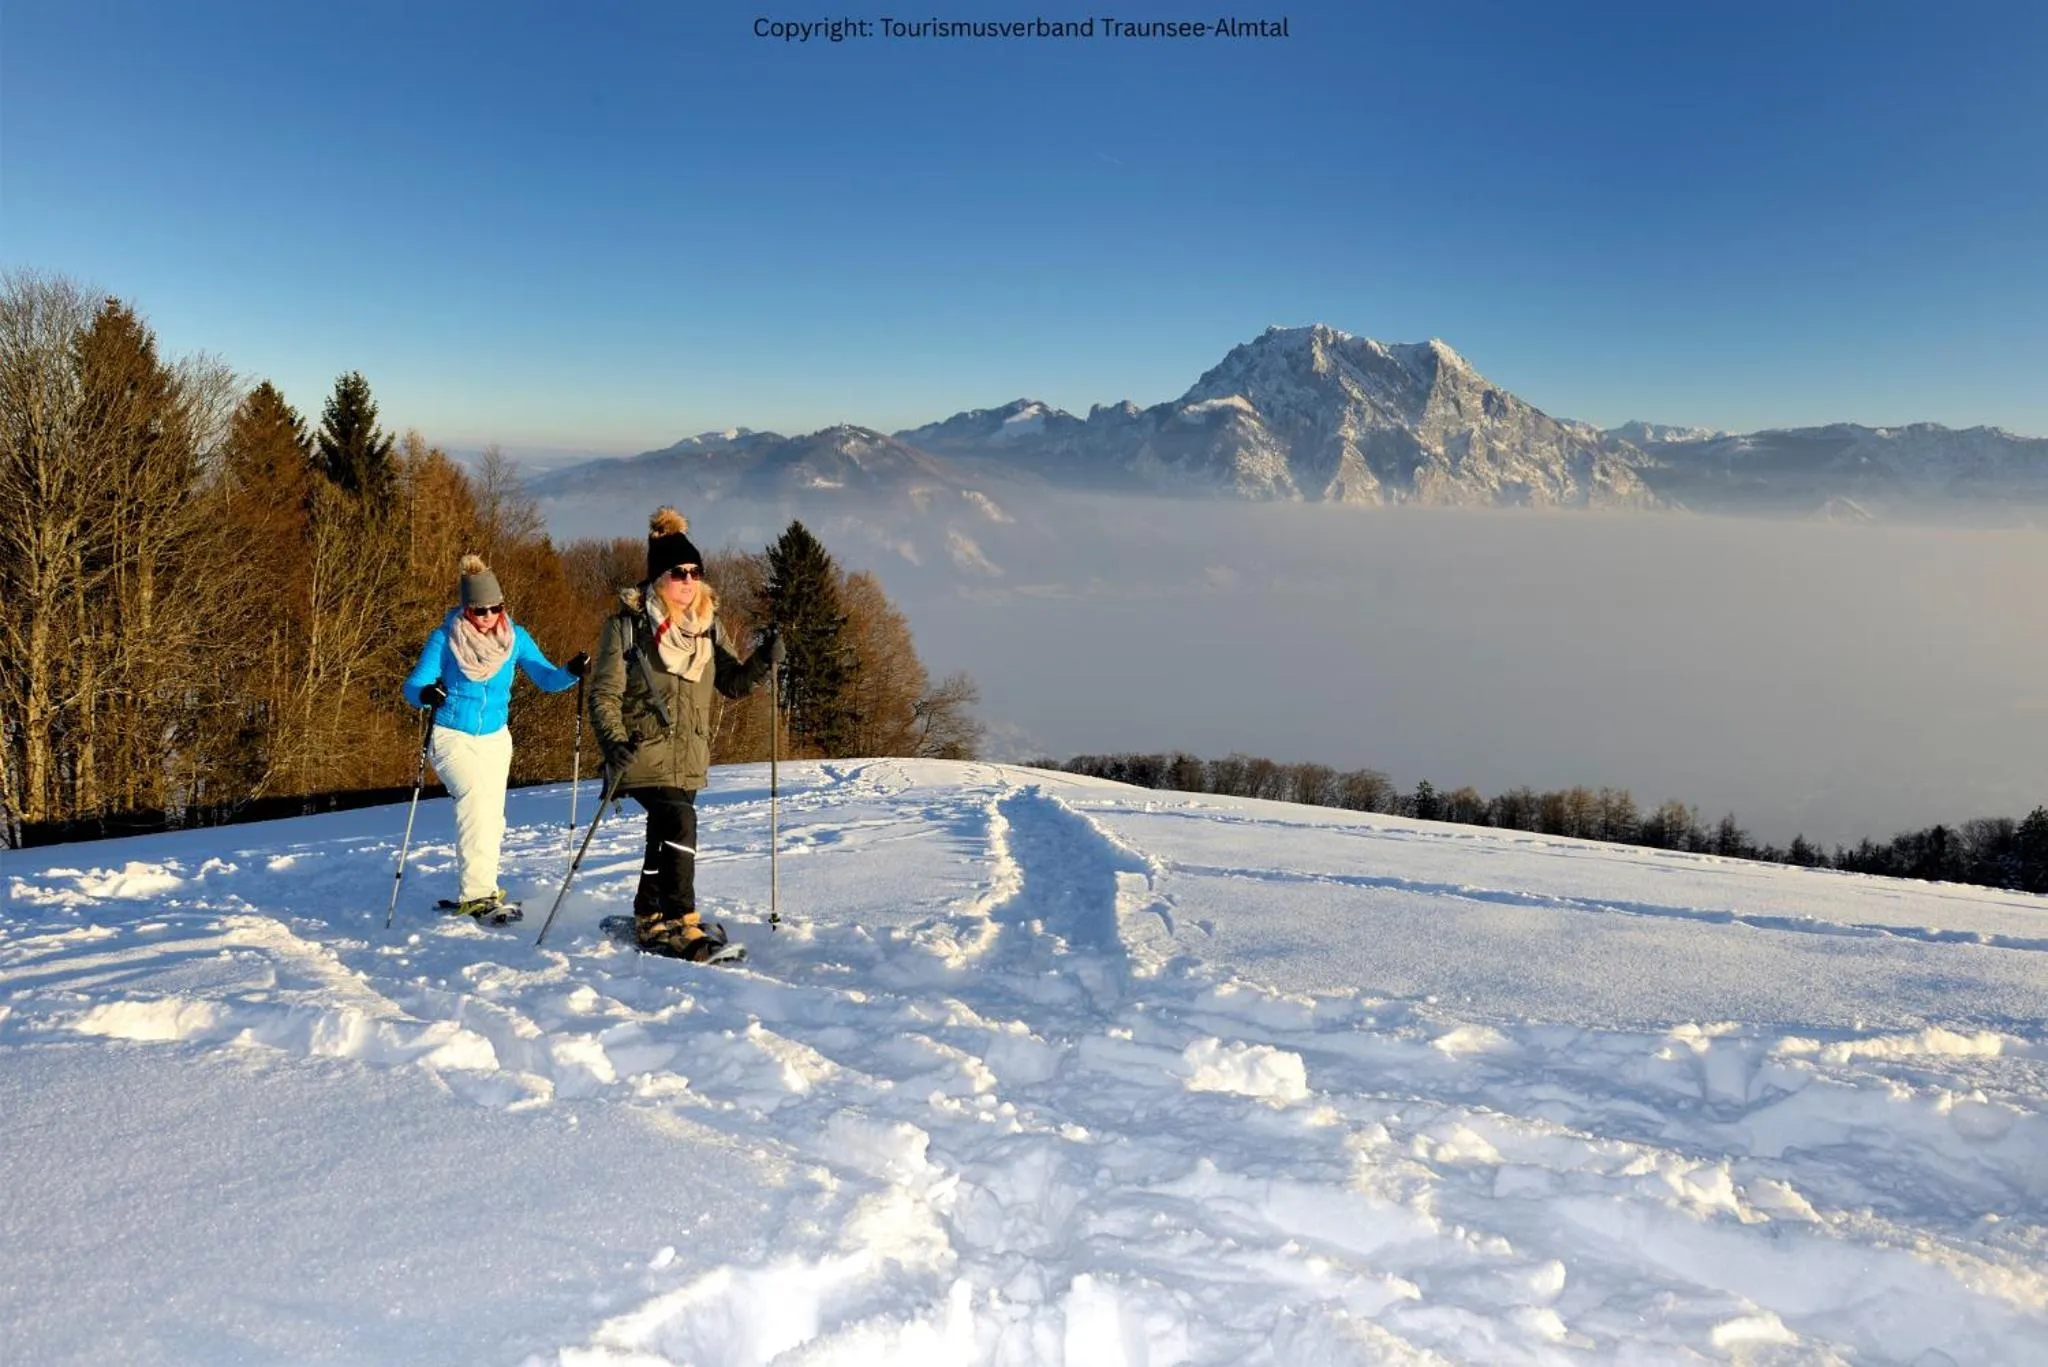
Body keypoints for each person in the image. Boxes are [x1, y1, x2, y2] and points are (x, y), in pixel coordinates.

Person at [589, 507, 780, 958]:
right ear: (658, 578)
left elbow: (731, 683)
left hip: (689, 755)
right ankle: (679, 920)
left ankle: (648, 915)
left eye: (696, 571)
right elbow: (604, 695)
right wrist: (613, 744)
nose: (689, 580)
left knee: (665, 831)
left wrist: (764, 660)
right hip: (640, 753)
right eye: (679, 572)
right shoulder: (627, 627)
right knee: (677, 819)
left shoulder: (708, 627)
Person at [403, 553, 588, 919]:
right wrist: (426, 695)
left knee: (493, 815)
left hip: (496, 738)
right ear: (466, 609)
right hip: (452, 736)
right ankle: (476, 894)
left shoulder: (515, 638)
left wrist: (571, 671)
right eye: (480, 610)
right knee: (475, 805)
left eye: (495, 608)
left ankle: (485, 886)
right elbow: (414, 685)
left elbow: (547, 679)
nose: (488, 617)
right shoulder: (444, 638)